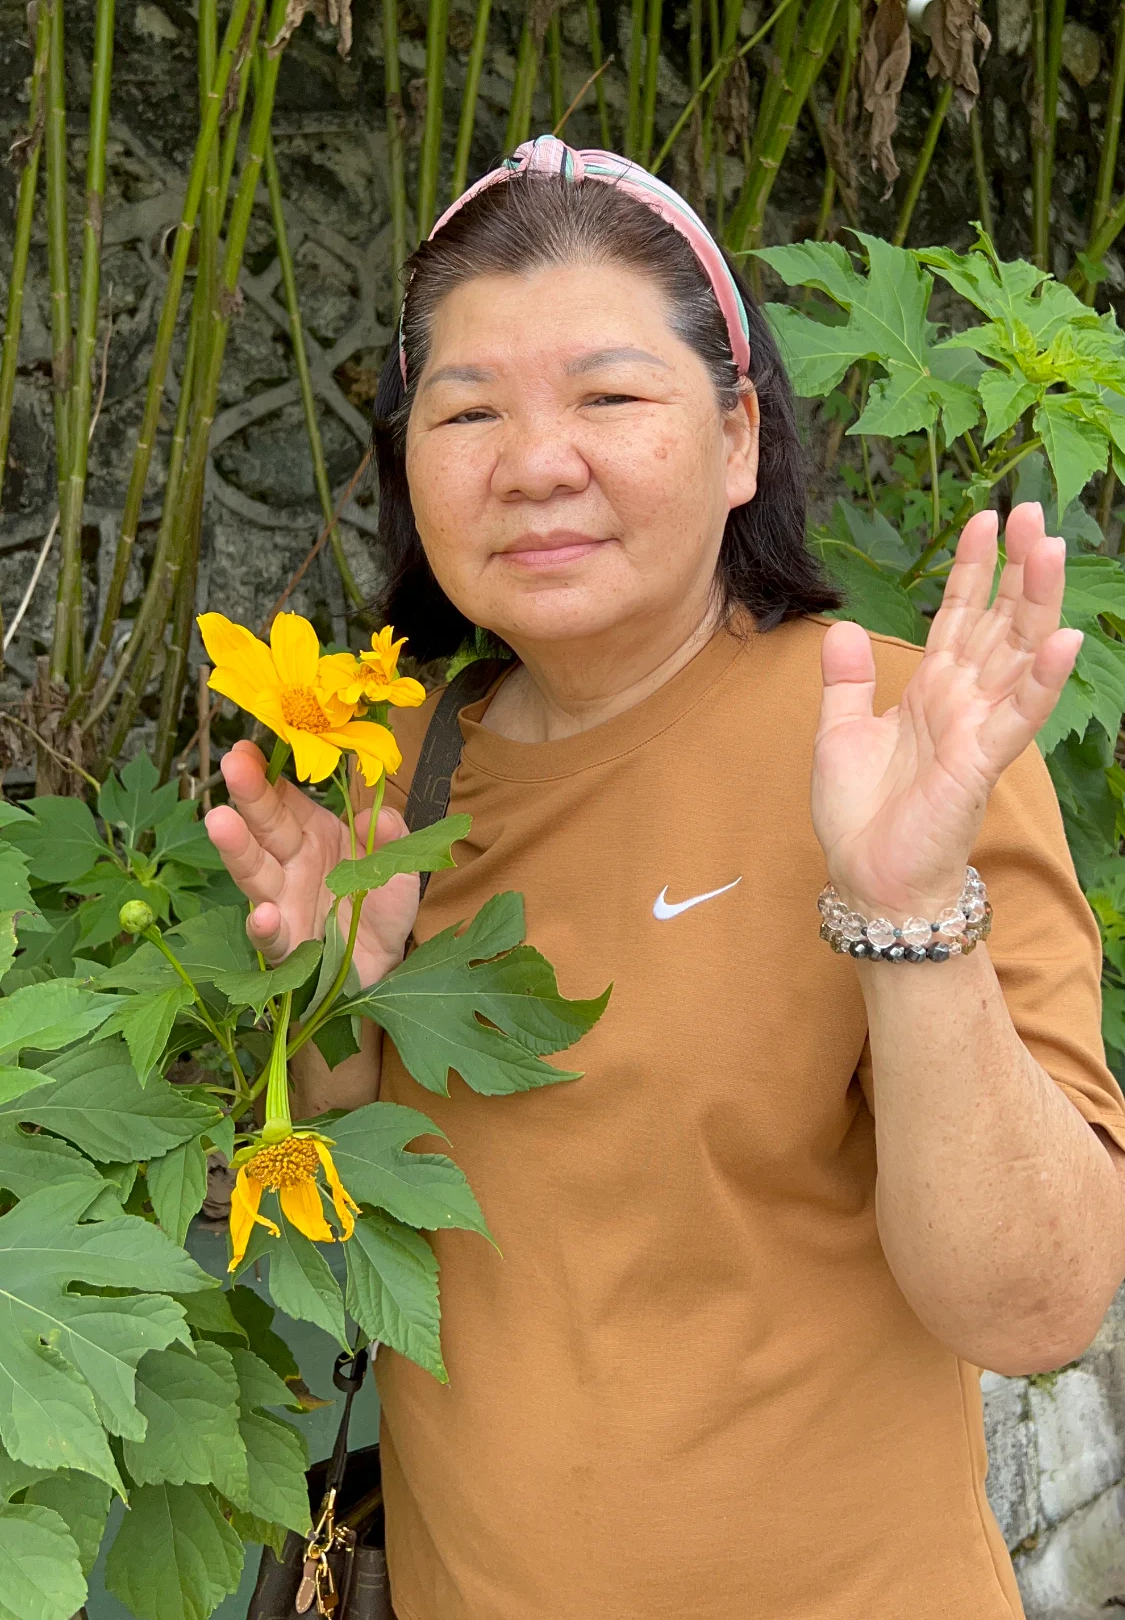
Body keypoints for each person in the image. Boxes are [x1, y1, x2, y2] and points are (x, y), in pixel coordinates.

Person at [205, 136, 1125, 1620]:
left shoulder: (904, 744)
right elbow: (372, 1215)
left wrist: (906, 912)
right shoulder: (390, 763)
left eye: (611, 398)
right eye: (468, 410)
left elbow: (1035, 1307)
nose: (534, 462)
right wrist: (330, 1011)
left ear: (741, 437)